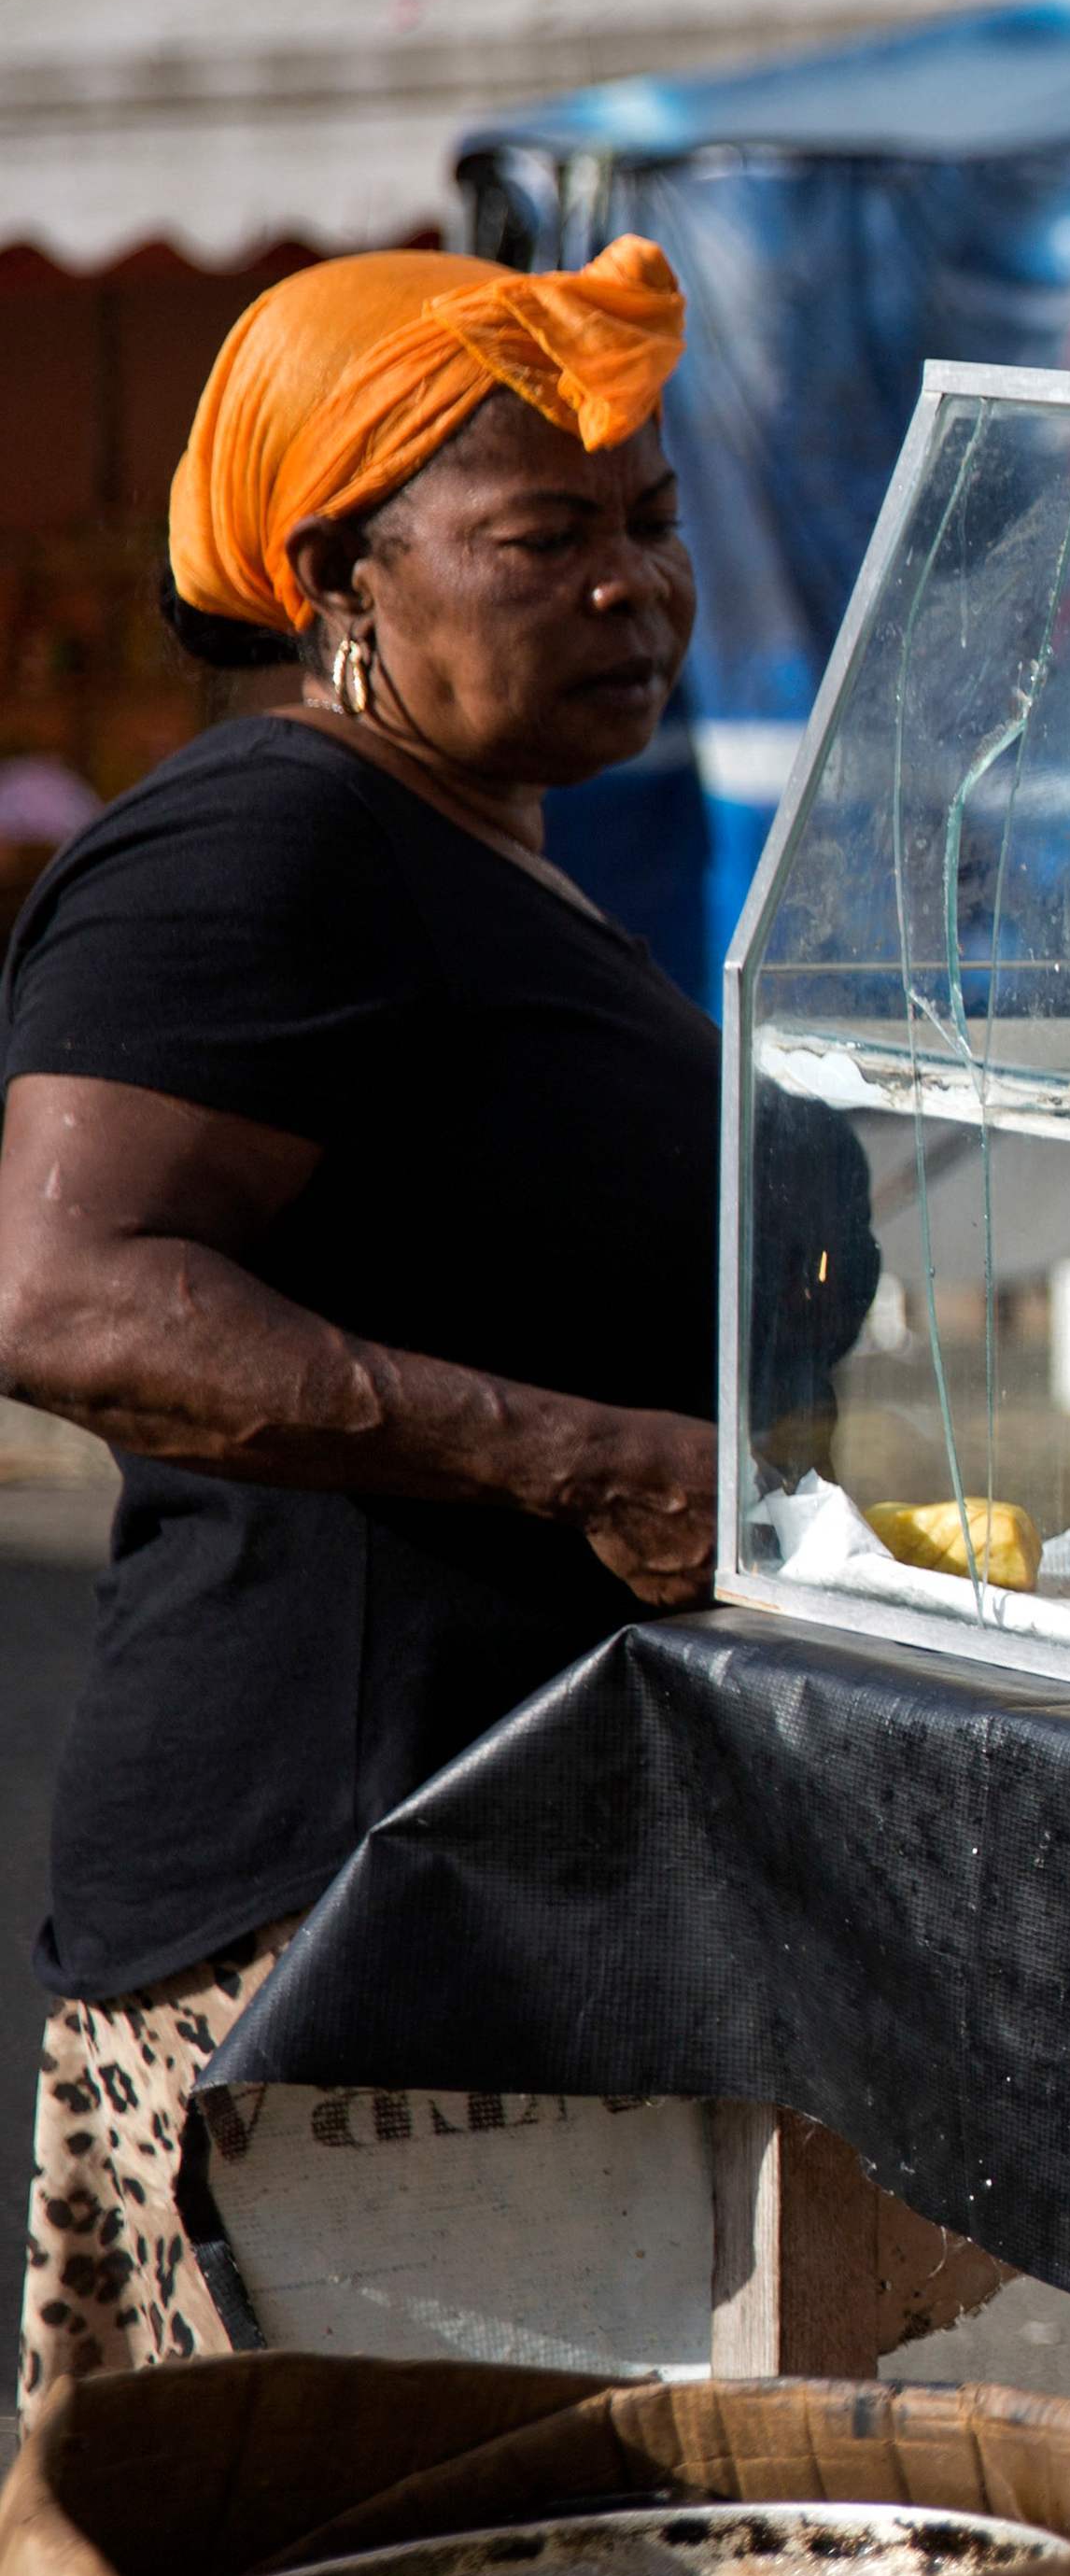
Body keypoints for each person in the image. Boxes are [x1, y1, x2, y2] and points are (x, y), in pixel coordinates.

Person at [0, 239, 871, 2395]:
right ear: (335, 580)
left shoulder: (484, 850)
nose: (630, 586)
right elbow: (66, 1292)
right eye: (542, 535)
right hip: (338, 1901)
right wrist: (581, 1452)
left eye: (652, 521)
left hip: (526, 1877)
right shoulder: (259, 845)